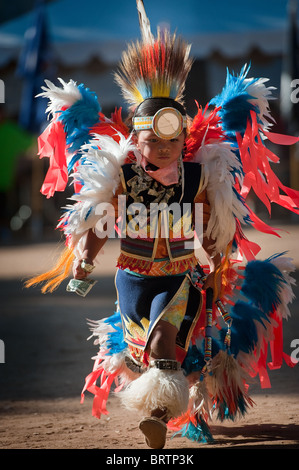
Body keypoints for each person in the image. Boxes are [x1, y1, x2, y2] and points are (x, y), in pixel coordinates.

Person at [26, 0, 298, 449]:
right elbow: (99, 222)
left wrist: (215, 258)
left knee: (163, 342)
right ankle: (188, 407)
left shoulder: (198, 176)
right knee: (150, 353)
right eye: (155, 141)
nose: (166, 148)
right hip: (131, 280)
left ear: (184, 137)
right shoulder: (120, 178)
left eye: (174, 140)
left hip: (181, 277)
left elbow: (213, 228)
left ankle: (156, 416)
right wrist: (84, 261)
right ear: (138, 139)